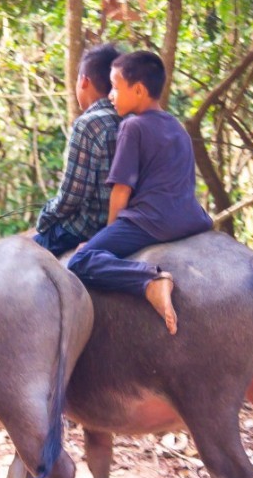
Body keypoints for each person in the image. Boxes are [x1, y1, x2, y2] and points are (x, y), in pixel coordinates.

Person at [67, 50, 213, 334]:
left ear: (138, 90)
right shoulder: (177, 127)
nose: (110, 95)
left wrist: (104, 238)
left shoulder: (132, 127)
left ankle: (150, 281)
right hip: (192, 220)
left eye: (115, 87)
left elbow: (121, 191)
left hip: (150, 222)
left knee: (81, 259)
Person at [33, 43, 122, 256]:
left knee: (21, 257)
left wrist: (45, 216)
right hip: (125, 224)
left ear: (84, 81)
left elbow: (70, 197)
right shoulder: (131, 119)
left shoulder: (88, 124)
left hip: (86, 228)